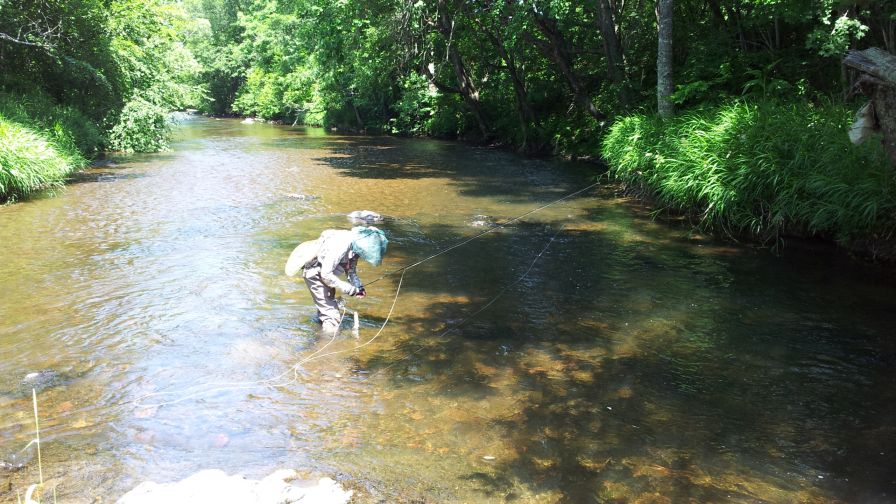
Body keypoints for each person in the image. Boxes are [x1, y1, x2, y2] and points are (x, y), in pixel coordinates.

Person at [302, 226, 388, 333]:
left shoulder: (356, 247)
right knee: (332, 316)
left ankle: (319, 331)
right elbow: (325, 274)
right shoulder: (342, 244)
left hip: (326, 276)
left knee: (326, 308)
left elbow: (350, 270)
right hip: (315, 274)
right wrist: (350, 289)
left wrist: (358, 286)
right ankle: (327, 344)